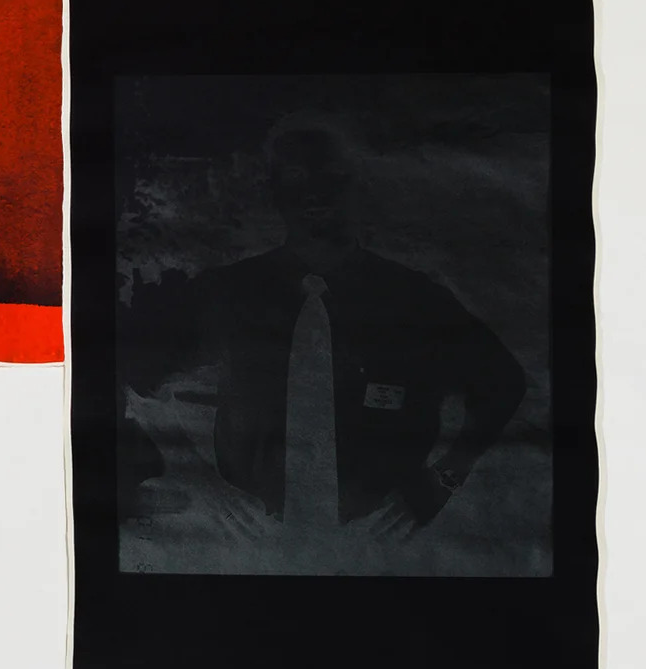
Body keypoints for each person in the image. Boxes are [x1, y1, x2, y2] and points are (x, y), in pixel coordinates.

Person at [120, 111, 528, 550]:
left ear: (357, 185)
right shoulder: (228, 291)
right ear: (274, 190)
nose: (314, 190)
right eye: (294, 176)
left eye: (331, 174)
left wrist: (447, 477)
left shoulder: (413, 297)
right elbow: (133, 373)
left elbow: (503, 383)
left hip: (385, 545)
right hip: (253, 545)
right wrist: (202, 483)